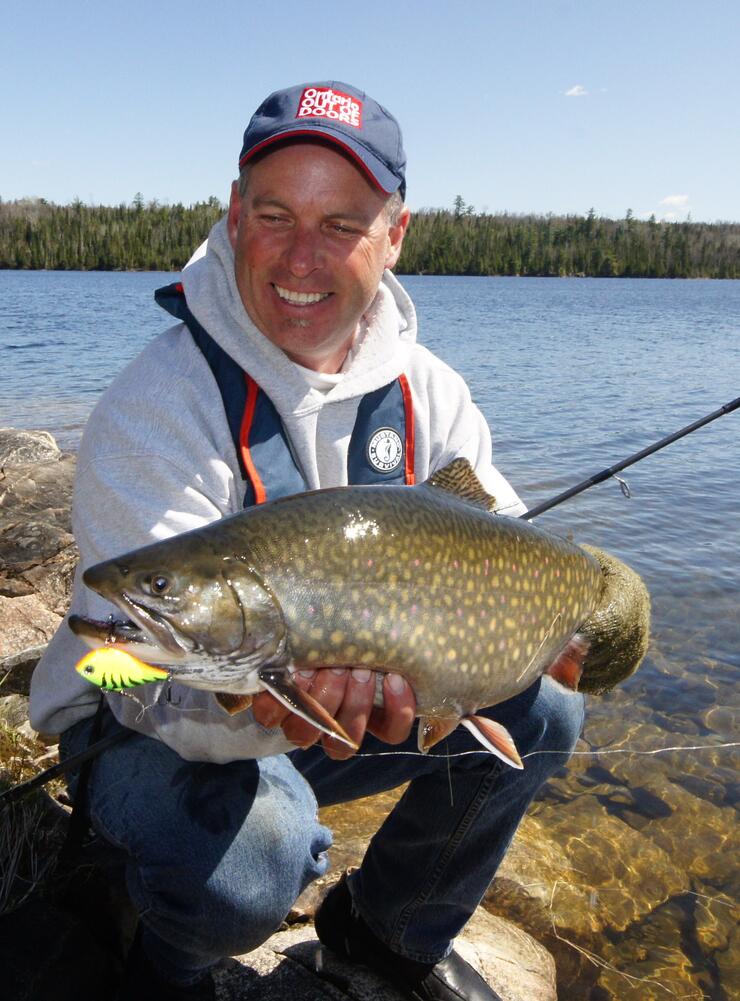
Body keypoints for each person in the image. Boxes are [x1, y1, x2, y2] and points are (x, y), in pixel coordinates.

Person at [30, 81, 641, 1001]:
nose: (301, 256)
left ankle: (383, 937)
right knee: (260, 853)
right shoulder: (154, 408)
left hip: (300, 694)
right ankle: (162, 960)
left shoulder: (434, 395)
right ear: (234, 216)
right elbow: (122, 668)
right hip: (137, 713)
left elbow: (508, 550)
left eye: (342, 224)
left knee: (548, 707)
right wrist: (284, 707)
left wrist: (591, 601)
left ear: (395, 236)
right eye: (275, 214)